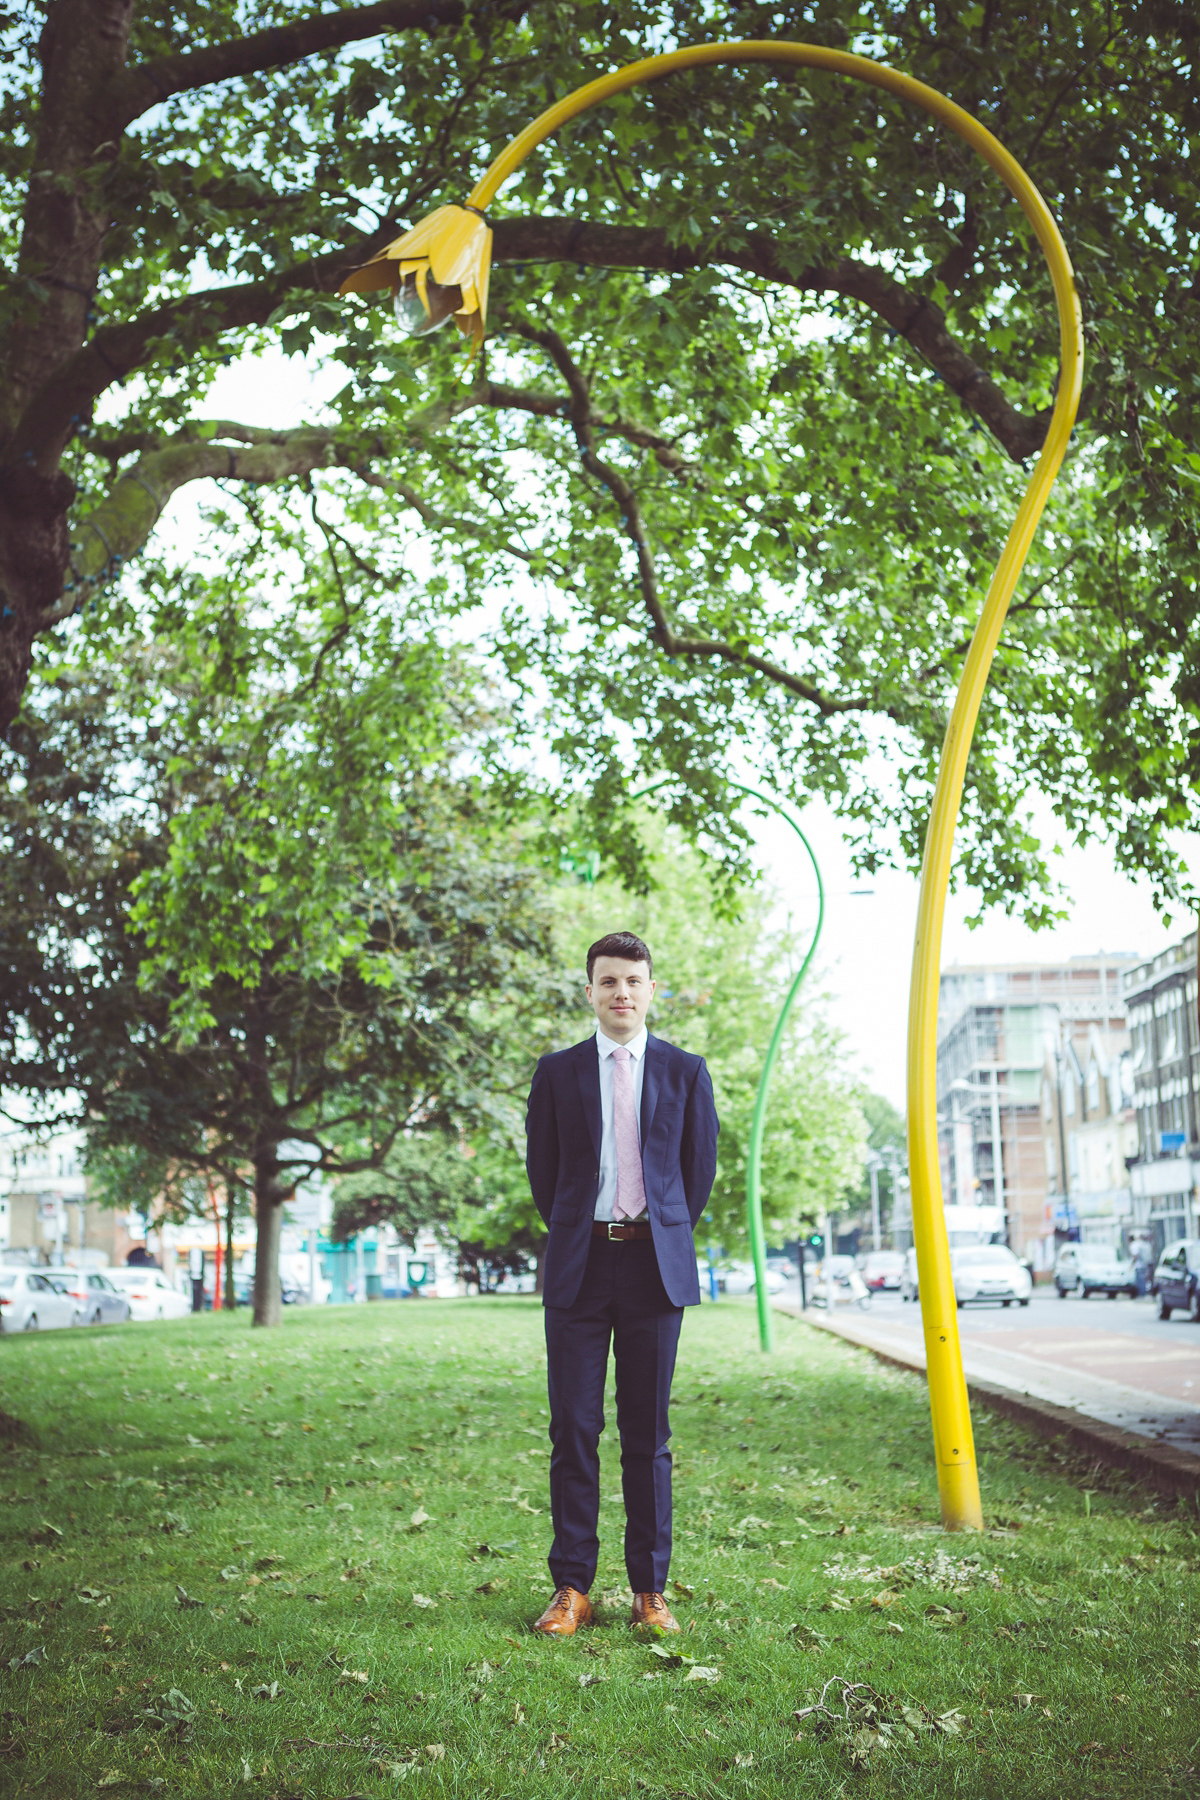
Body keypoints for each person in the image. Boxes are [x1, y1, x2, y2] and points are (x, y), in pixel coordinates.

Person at [525, 930, 719, 1637]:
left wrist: (659, 1229)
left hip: (653, 1269)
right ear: (590, 992)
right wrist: (584, 1224)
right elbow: (544, 1175)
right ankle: (572, 1588)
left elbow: (696, 1174)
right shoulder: (557, 1073)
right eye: (608, 981)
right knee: (573, 1429)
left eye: (633, 981)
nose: (621, 993)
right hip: (578, 1265)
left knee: (649, 1434)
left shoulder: (685, 1071)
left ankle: (649, 1590)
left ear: (650, 990)